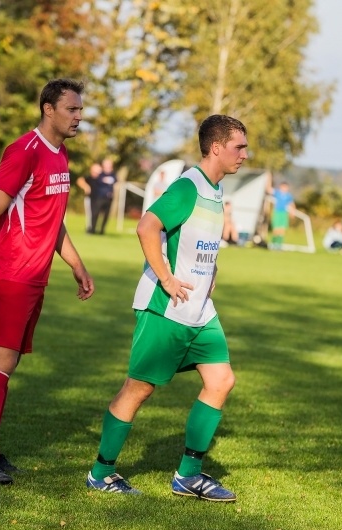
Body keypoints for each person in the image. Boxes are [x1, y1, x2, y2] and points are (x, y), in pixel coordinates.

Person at [85, 115, 248, 502]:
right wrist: (167, 278)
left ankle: (188, 476)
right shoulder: (188, 186)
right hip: (167, 308)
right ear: (216, 148)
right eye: (239, 146)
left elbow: (200, 244)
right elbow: (147, 226)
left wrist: (212, 274)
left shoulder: (215, 189)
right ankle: (100, 473)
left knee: (221, 381)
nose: (244, 153)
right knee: (139, 389)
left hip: (201, 311)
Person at [0, 79, 95, 484]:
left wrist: (78, 266)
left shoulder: (61, 155)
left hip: (35, 278)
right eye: (72, 109)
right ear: (48, 109)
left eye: (80, 110)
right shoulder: (24, 151)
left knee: (9, 362)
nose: (78, 116)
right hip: (11, 274)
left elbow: (54, 222)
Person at [267, 179, 296, 250]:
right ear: (280, 187)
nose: (285, 189)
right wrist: (269, 178)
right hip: (277, 212)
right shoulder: (277, 193)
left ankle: (279, 245)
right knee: (276, 230)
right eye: (283, 187)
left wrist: (293, 212)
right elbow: (269, 189)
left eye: (286, 187)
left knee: (282, 230)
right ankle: (274, 244)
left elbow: (291, 204)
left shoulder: (288, 195)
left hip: (284, 213)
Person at [90, 158, 117, 234]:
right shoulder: (100, 174)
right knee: (96, 213)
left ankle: (102, 230)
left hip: (108, 197)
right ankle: (92, 229)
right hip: (99, 197)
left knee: (106, 215)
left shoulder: (113, 174)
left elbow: (115, 180)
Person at [76, 162, 102, 233]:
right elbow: (79, 180)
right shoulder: (88, 177)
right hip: (90, 198)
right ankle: (90, 228)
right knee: (90, 213)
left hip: (98, 198)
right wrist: (86, 187)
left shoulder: (100, 178)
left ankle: (94, 228)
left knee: (96, 214)